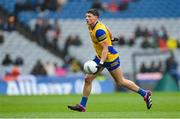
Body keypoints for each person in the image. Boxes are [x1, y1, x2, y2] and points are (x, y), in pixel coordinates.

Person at [67, 9, 152, 112]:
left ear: (96, 17)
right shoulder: (92, 25)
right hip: (101, 56)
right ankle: (82, 105)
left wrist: (101, 63)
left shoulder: (99, 31)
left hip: (110, 58)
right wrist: (111, 37)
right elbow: (107, 28)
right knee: (88, 79)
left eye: (89, 16)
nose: (87, 18)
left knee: (120, 82)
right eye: (86, 16)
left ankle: (145, 94)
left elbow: (105, 48)